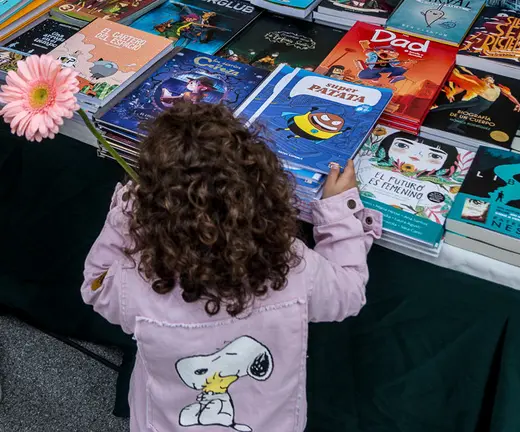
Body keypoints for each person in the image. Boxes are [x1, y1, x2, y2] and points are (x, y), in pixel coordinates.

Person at [80, 103, 381, 432]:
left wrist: (128, 208)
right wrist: (339, 212)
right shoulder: (292, 265)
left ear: (153, 212)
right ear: (265, 191)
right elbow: (349, 293)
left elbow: (95, 284)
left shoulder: (136, 279)